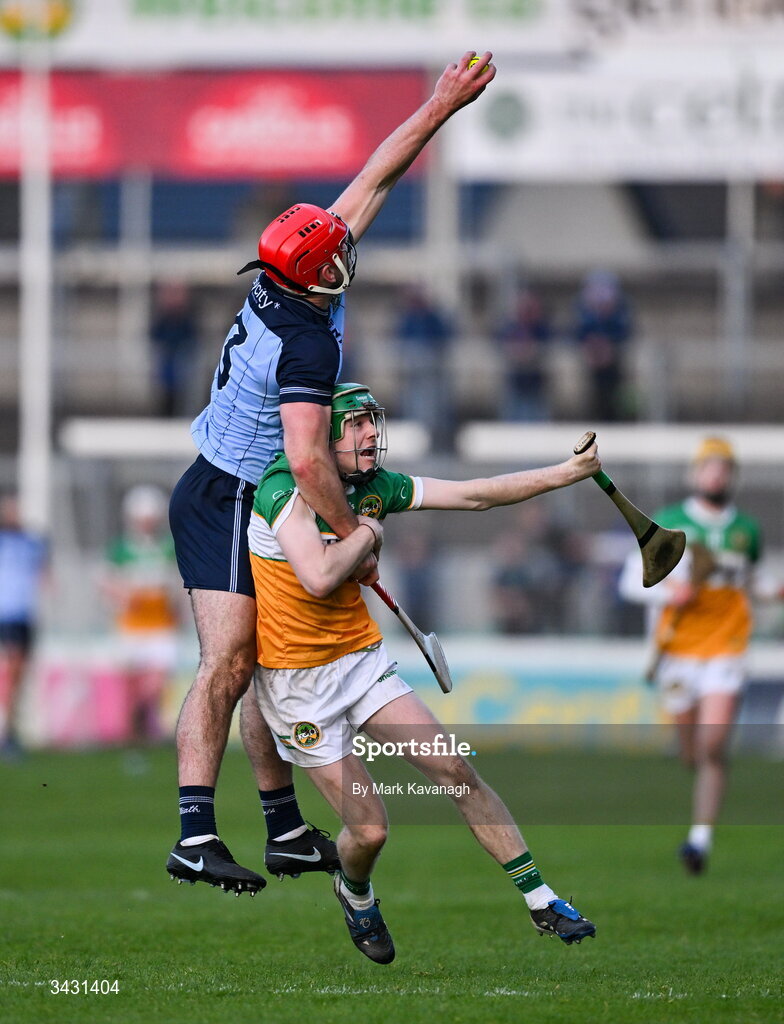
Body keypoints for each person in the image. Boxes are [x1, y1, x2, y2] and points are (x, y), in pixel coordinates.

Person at [166, 54, 497, 896]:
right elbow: (310, 458)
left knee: (259, 662)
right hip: (231, 492)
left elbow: (375, 176)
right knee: (230, 660)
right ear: (324, 272)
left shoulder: (296, 277)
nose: (351, 249)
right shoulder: (308, 338)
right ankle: (195, 831)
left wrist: (440, 105)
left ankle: (281, 830)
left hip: (238, 483)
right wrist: (356, 539)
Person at [249, 383, 599, 963]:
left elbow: (476, 496)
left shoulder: (375, 487)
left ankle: (540, 898)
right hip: (296, 685)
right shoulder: (283, 488)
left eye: (370, 423)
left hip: (361, 660)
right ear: (321, 436)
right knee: (371, 832)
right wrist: (369, 534)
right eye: (355, 425)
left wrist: (567, 473)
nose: (369, 435)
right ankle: (355, 893)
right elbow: (315, 575)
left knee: (455, 767)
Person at [618, 437, 782, 874]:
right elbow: (630, 582)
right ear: (695, 473)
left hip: (726, 648)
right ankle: (695, 772)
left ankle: (700, 840)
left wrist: (773, 591)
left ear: (733, 476)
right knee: (692, 751)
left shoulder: (746, 529)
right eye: (709, 466)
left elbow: (751, 580)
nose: (717, 474)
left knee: (713, 746)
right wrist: (674, 590)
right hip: (677, 652)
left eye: (724, 467)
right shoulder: (669, 522)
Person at [101, 485, 181, 745]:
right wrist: (124, 595)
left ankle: (146, 721)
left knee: (157, 681)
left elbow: (175, 585)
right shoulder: (121, 549)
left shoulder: (167, 548)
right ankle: (135, 732)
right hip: (132, 626)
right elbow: (106, 582)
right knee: (131, 684)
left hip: (160, 625)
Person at [0, 494, 47, 759]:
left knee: (19, 676)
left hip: (24, 616)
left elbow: (43, 575)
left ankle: (10, 730)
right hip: (6, 615)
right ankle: (7, 733)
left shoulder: (33, 542)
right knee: (13, 671)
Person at [394, 286, 454, 450]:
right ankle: (414, 444)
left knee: (433, 411)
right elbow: (400, 341)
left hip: (432, 375)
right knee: (412, 407)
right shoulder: (407, 318)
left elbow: (444, 339)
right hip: (412, 375)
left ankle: (435, 444)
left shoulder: (434, 318)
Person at [572, 270, 632, 422]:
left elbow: (625, 332)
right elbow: (578, 332)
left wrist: (609, 345)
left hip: (614, 365)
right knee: (595, 396)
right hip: (593, 363)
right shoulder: (586, 315)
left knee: (615, 396)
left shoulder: (619, 315)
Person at [494, 284, 551, 422]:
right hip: (515, 385)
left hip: (537, 386)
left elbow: (547, 348)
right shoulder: (510, 327)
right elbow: (500, 346)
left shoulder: (542, 328)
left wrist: (532, 352)